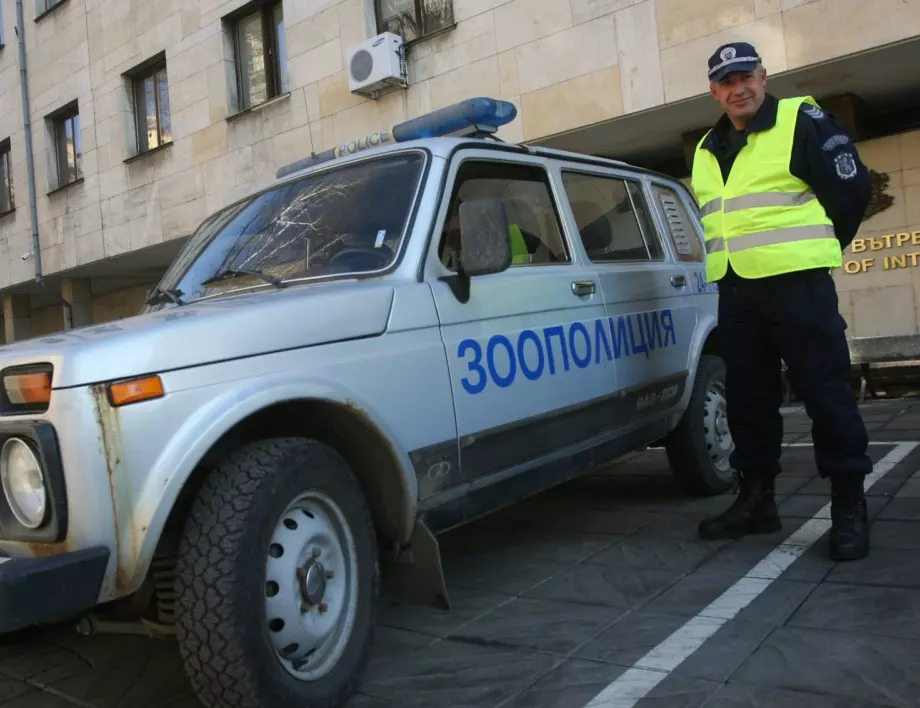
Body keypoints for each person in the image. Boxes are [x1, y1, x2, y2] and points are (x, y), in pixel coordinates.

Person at [690, 41, 873, 561]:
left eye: (746, 76)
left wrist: (819, 249)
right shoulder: (707, 147)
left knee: (824, 393)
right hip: (737, 289)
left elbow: (851, 189)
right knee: (748, 398)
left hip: (798, 286)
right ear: (713, 90)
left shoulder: (801, 119)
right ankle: (757, 500)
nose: (738, 88)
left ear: (764, 77)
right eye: (726, 81)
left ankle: (848, 506)